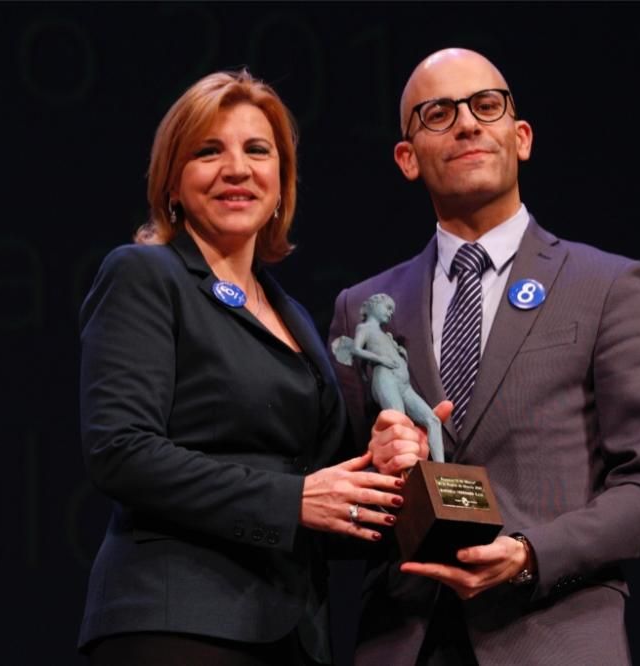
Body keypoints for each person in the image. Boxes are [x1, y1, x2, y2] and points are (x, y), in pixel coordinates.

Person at [328, 48, 640, 665]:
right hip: (405, 641)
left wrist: (530, 553)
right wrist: (374, 465)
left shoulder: (605, 286)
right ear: (407, 158)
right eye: (437, 113)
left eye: (485, 106)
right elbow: (335, 500)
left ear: (520, 137)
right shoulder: (362, 306)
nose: (466, 124)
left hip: (551, 637)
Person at [77, 69, 405, 666]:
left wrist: (374, 459)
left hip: (294, 633)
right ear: (173, 183)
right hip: (179, 624)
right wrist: (293, 500)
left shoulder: (294, 315)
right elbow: (120, 450)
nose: (237, 169)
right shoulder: (145, 275)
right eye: (209, 151)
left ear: (281, 185)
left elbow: (314, 477)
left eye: (258, 150)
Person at [332, 293, 446, 463]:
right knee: (400, 425)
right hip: (386, 378)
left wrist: (401, 354)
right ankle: (407, 474)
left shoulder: (386, 335)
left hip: (404, 383)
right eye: (388, 308)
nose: (391, 313)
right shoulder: (364, 328)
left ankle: (441, 472)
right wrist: (380, 359)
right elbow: (356, 350)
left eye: (392, 310)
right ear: (374, 305)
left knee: (433, 420)